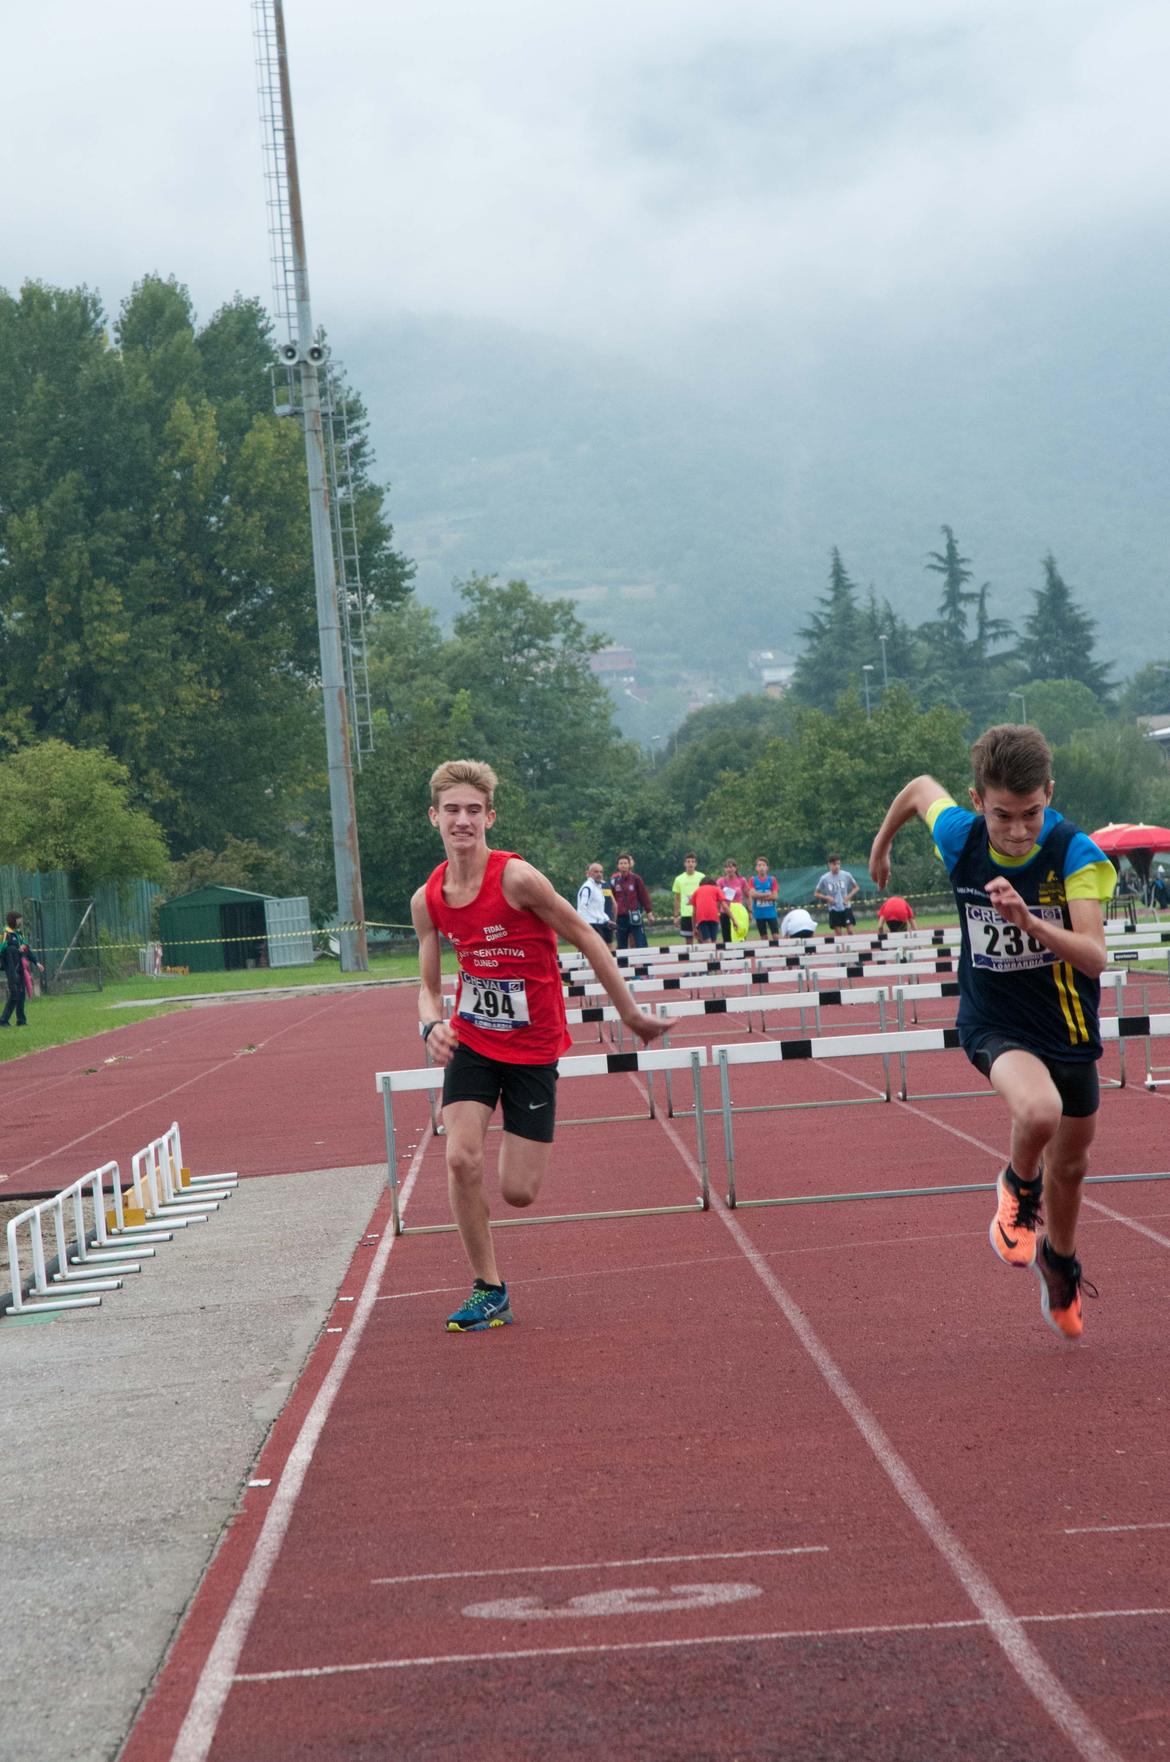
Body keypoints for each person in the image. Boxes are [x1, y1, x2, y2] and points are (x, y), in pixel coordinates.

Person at [869, 723, 1116, 1341]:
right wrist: (881, 847)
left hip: (1067, 1026)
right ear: (978, 801)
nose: (1018, 831)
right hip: (993, 1021)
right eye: (1003, 815)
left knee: (1072, 1166)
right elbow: (919, 789)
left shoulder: (1075, 853)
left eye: (1031, 813)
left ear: (1049, 793)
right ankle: (1017, 1185)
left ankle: (1060, 1262)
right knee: (1039, 1112)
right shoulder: (960, 836)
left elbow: (1094, 957)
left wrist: (1030, 922)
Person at [412, 761, 665, 1333]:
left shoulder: (517, 879)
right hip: (474, 1041)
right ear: (434, 817)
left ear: (490, 817)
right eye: (451, 810)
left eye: (473, 810)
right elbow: (427, 988)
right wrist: (431, 1026)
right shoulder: (428, 900)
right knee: (460, 1158)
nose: (462, 820)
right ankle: (488, 1288)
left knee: (518, 1191)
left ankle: (518, 1155)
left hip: (533, 1047)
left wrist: (629, 1013)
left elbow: (585, 934)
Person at [610, 853, 653, 950]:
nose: (623, 865)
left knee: (640, 942)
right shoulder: (613, 881)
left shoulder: (636, 879)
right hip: (620, 917)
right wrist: (611, 915)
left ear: (629, 865)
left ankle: (645, 960)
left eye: (625, 863)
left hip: (634, 915)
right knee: (621, 945)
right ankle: (623, 960)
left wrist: (649, 912)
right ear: (617, 866)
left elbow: (643, 895)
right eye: (621, 863)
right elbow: (610, 899)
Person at [815, 854, 860, 929]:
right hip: (833, 908)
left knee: (850, 931)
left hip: (846, 906)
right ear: (829, 864)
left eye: (838, 864)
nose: (837, 866)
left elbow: (856, 887)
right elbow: (816, 893)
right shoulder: (824, 878)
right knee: (838, 933)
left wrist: (848, 897)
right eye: (834, 864)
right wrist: (827, 898)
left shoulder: (846, 875)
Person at [577, 861, 614, 945]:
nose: (599, 874)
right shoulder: (587, 887)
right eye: (596, 872)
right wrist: (585, 926)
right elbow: (582, 908)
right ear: (589, 873)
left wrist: (607, 920)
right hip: (591, 924)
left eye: (601, 872)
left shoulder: (599, 887)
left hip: (601, 923)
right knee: (596, 949)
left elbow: (598, 909)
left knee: (608, 947)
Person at [672, 854, 705, 944]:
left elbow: (706, 895)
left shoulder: (702, 877)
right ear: (684, 864)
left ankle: (704, 954)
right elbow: (677, 898)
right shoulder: (679, 879)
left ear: (696, 864)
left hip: (700, 913)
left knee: (702, 940)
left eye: (693, 862)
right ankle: (691, 954)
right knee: (689, 943)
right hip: (686, 914)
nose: (690, 864)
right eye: (688, 861)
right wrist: (676, 916)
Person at [748, 858, 780, 942]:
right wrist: (768, 894)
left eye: (763, 865)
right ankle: (765, 951)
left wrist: (758, 896)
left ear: (767, 868)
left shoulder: (772, 879)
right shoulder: (752, 880)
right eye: (759, 865)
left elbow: (775, 896)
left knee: (776, 936)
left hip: (771, 913)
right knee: (764, 938)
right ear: (756, 868)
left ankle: (778, 950)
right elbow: (752, 894)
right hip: (759, 914)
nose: (761, 867)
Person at [717, 859, 747, 944]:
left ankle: (741, 952)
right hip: (725, 913)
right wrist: (717, 911)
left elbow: (748, 896)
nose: (729, 869)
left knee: (740, 937)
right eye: (726, 867)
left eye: (731, 867)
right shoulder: (720, 881)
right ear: (724, 869)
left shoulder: (742, 880)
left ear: (735, 868)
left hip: (738, 913)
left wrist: (749, 911)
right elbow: (717, 898)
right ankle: (728, 953)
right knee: (727, 939)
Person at [689, 875, 724, 945]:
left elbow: (694, 912)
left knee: (707, 941)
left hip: (701, 918)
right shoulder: (716, 889)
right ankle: (713, 950)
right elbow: (721, 904)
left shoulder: (696, 891)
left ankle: (708, 949)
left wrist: (694, 928)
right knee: (713, 941)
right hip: (714, 916)